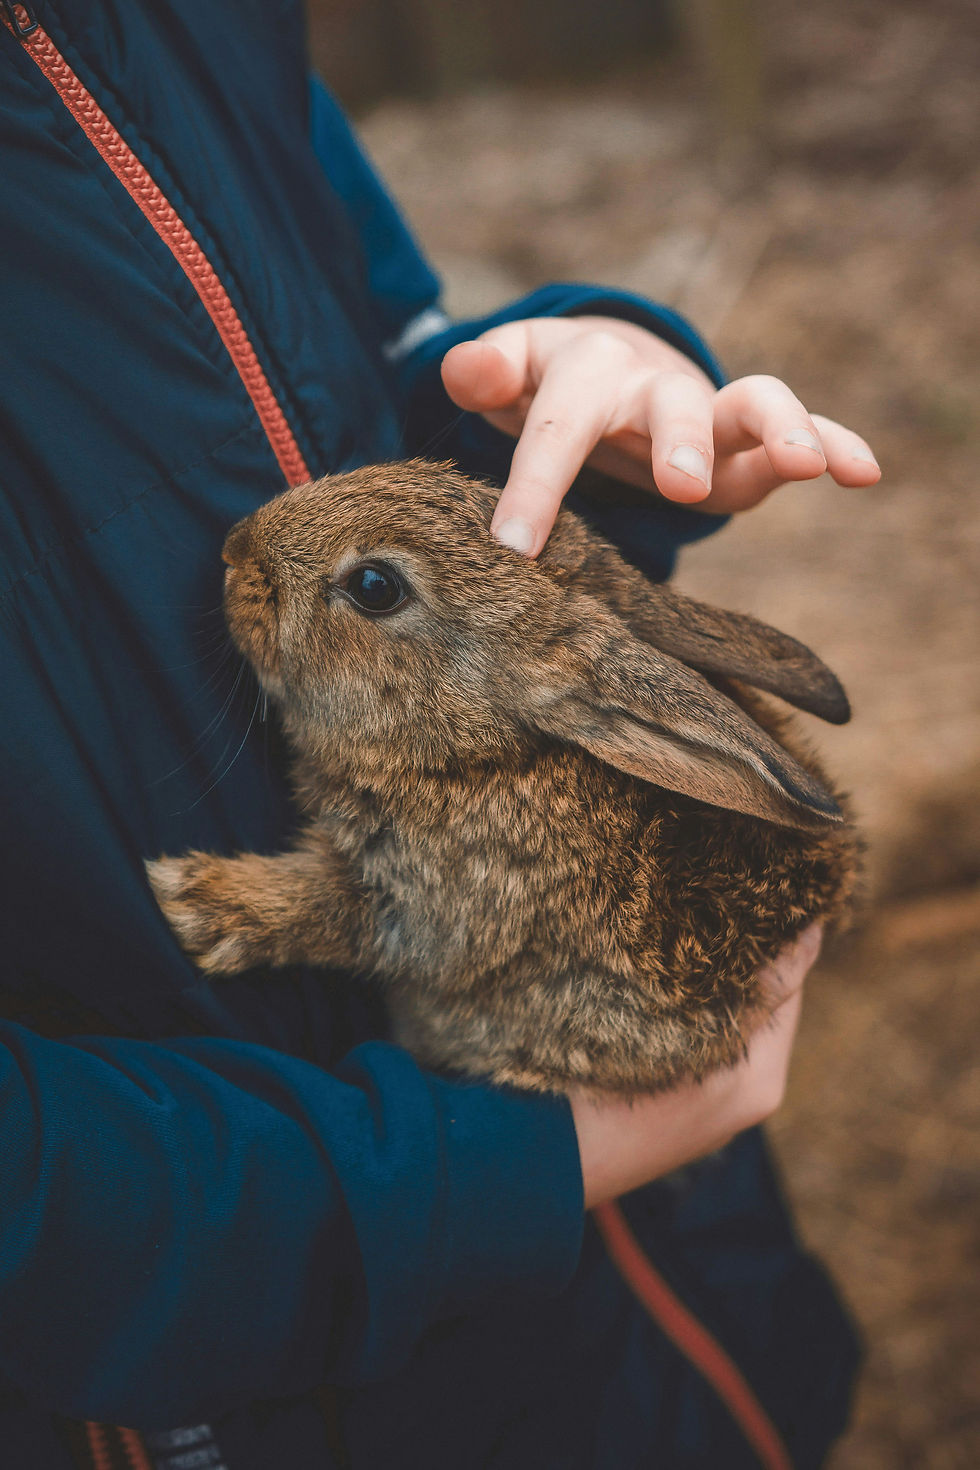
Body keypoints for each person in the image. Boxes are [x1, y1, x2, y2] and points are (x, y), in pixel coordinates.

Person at [0, 4, 877, 1467]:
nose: (242, 551)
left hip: (653, 1290)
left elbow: (377, 353)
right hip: (226, 1368)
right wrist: (478, 1177)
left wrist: (582, 405)